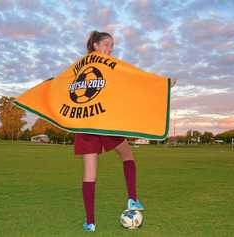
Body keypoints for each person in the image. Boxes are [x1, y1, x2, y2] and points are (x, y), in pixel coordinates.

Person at [76, 31, 177, 232]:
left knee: (97, 169)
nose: (109, 49)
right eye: (106, 44)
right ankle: (129, 200)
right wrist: (161, 84)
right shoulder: (107, 65)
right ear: (95, 45)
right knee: (119, 158)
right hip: (101, 122)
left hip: (88, 124)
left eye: (112, 46)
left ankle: (91, 222)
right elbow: (135, 79)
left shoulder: (79, 66)